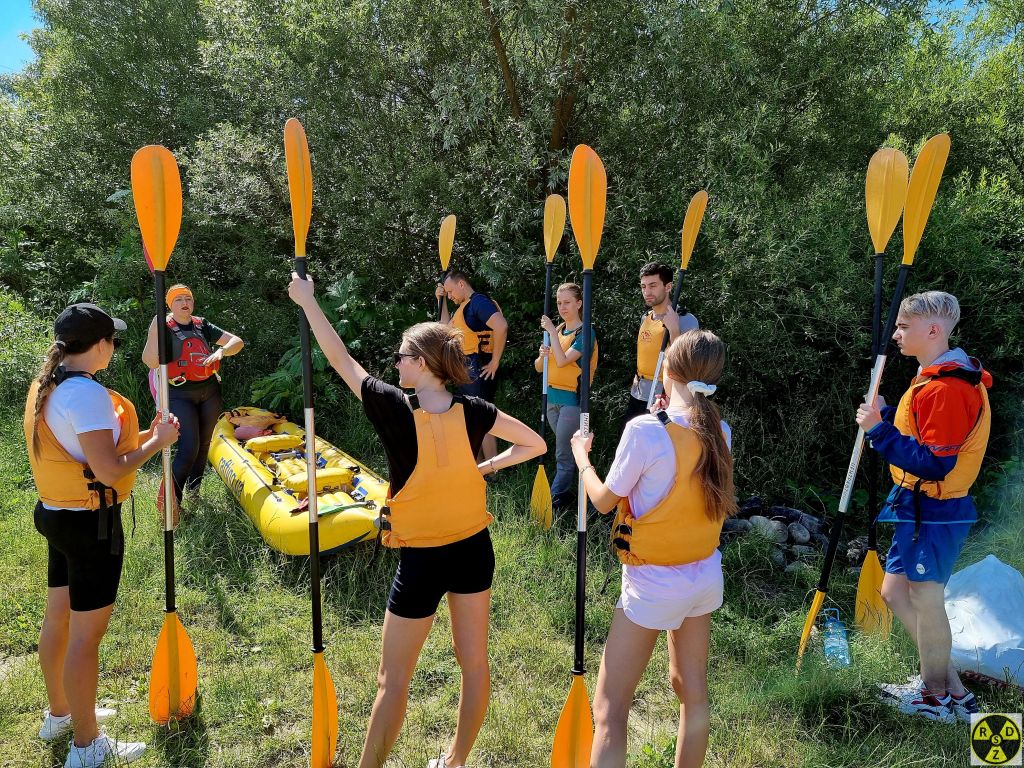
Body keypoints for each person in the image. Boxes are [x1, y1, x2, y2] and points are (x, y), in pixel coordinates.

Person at [289, 272, 545, 768]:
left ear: (423, 365)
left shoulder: (393, 407)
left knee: (393, 680)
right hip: (474, 549)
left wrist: (309, 303)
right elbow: (533, 444)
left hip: (424, 560)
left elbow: (341, 360)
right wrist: (483, 466)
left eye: (404, 356)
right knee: (474, 666)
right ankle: (455, 762)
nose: (397, 363)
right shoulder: (475, 408)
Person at [24, 303, 180, 768]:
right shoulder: (87, 396)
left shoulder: (47, 384)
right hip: (88, 526)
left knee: (59, 620)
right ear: (98, 345)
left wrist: (146, 436)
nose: (114, 346)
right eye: (112, 339)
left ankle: (62, 713)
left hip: (55, 513)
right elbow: (110, 472)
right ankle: (87, 746)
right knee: (85, 638)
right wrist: (157, 443)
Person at [571, 329, 735, 768]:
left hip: (652, 584)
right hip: (703, 577)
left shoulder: (644, 430)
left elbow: (605, 501)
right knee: (692, 692)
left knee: (610, 707)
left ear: (668, 370)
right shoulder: (720, 430)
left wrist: (583, 458)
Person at [857, 291, 991, 723]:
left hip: (935, 510)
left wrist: (878, 430)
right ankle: (951, 688)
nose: (895, 334)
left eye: (902, 327)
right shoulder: (933, 379)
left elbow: (935, 463)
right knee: (894, 591)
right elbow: (922, 434)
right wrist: (889, 413)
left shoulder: (950, 388)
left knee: (926, 599)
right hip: (917, 507)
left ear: (932, 330)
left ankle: (936, 698)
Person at [142, 284, 243, 503]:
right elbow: (149, 361)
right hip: (179, 394)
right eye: (178, 300)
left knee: (204, 445)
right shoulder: (163, 327)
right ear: (170, 305)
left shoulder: (202, 324)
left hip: (209, 391)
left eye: (188, 298)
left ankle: (194, 492)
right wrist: (153, 330)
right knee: (189, 448)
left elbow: (237, 342)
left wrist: (221, 351)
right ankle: (171, 504)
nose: (184, 303)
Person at [534, 282, 598, 510]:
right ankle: (578, 497)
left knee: (563, 457)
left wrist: (550, 332)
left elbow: (562, 361)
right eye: (559, 302)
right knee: (568, 452)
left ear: (579, 303)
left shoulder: (586, 332)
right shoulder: (560, 330)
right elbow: (540, 368)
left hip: (573, 402)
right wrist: (543, 355)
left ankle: (550, 505)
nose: (562, 307)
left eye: (568, 302)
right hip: (552, 400)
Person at [435, 271, 508, 460]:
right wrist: (440, 299)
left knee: (482, 418)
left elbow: (501, 326)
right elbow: (444, 327)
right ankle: (479, 466)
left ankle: (492, 473)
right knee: (473, 419)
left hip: (478, 367)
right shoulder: (465, 307)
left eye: (451, 292)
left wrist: (494, 361)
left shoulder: (478, 302)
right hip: (469, 368)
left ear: (461, 284)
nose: (450, 296)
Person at [625, 262, 699, 424]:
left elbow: (687, 364)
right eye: (643, 286)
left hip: (664, 398)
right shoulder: (646, 317)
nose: (647, 292)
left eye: (653, 286)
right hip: (638, 393)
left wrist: (673, 330)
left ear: (668, 287)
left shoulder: (686, 320)